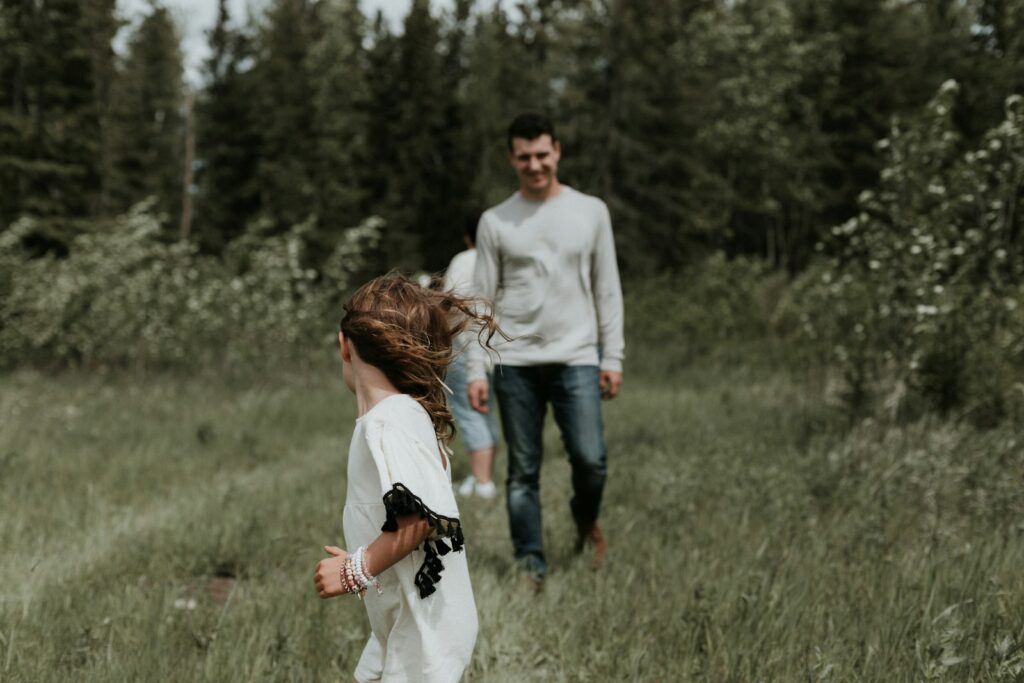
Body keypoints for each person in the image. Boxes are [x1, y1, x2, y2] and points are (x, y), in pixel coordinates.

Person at [313, 274, 499, 683]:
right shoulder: (399, 416)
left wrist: (353, 570)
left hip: (423, 630)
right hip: (411, 618)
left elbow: (416, 522)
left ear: (345, 345)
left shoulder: (390, 421)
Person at [467, 113, 624, 584]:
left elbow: (607, 288)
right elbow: (482, 301)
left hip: (577, 355)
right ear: (511, 158)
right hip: (515, 363)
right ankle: (531, 565)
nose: (534, 165)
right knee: (522, 472)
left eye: (541, 154)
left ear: (557, 150)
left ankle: (584, 519)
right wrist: (477, 368)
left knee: (591, 460)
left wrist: (611, 356)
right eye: (524, 157)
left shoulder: (591, 211)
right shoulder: (496, 220)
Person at [444, 219, 501, 499]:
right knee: (486, 411)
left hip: (467, 346)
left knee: (469, 410)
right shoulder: (506, 259)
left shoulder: (465, 260)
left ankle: (483, 481)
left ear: (469, 237)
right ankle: (482, 476)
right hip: (501, 351)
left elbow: (453, 303)